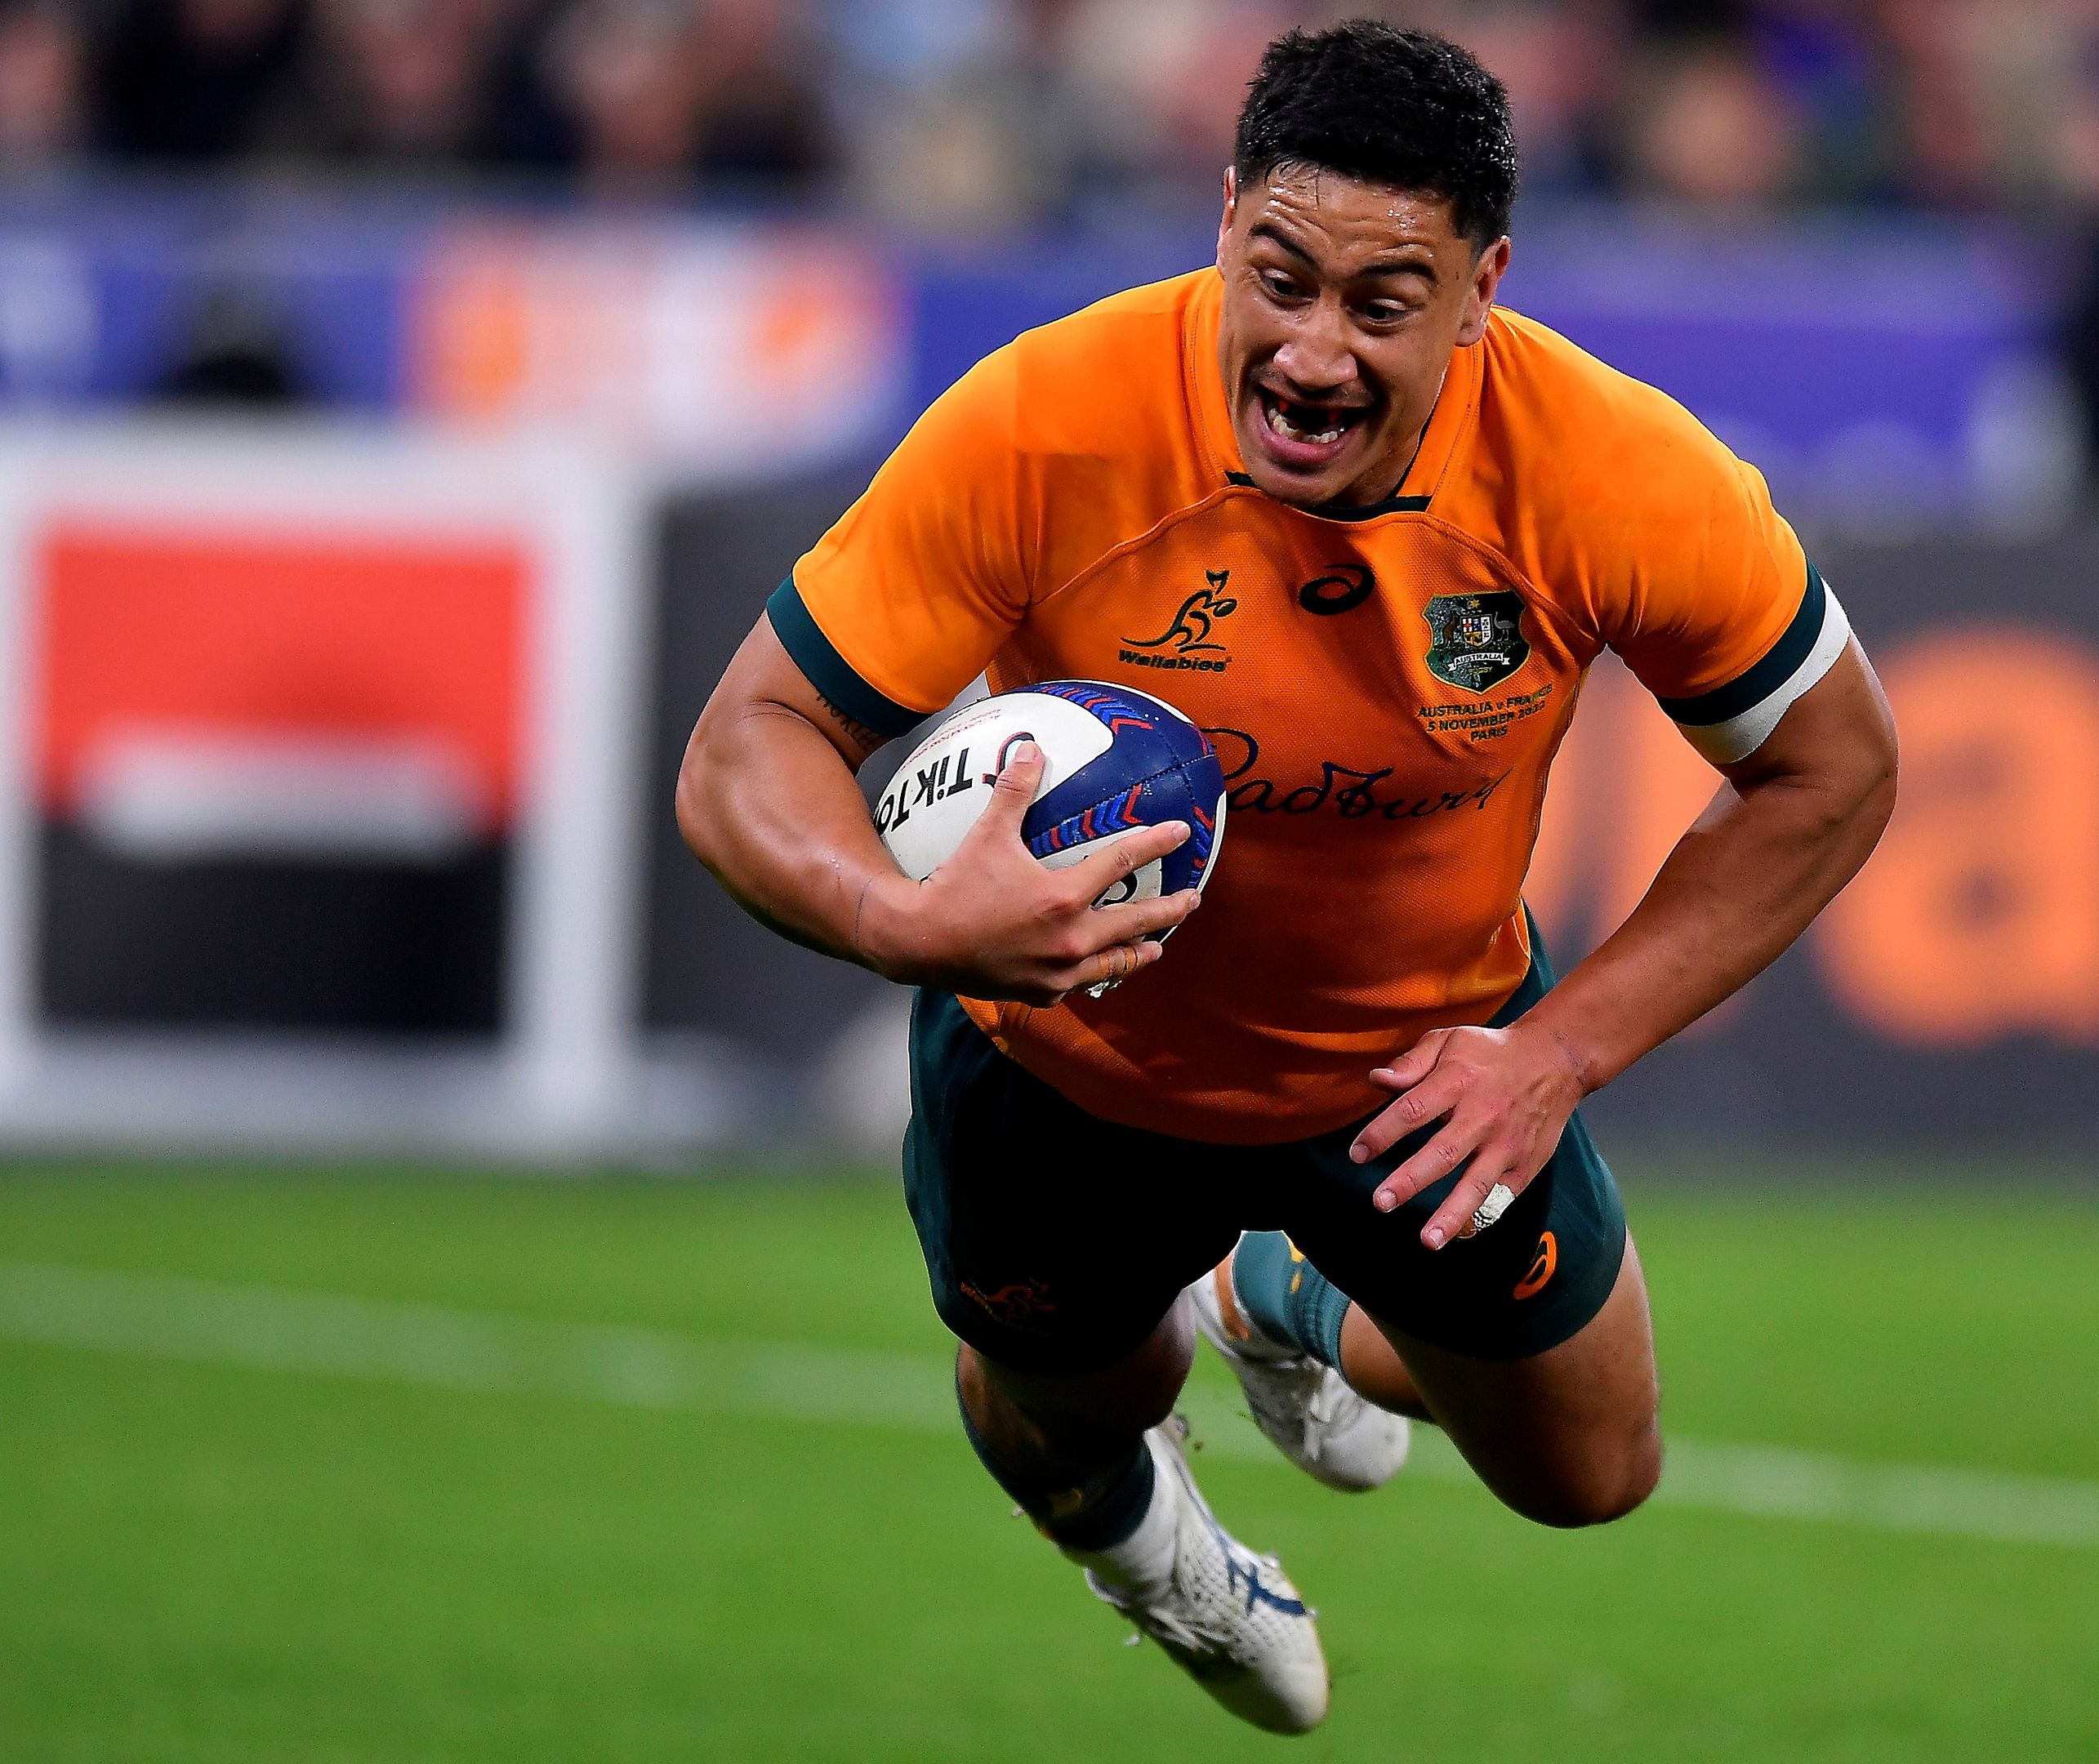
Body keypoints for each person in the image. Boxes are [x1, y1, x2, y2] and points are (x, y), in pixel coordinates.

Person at [676, 19, 1896, 1735]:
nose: (1313, 354)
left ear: (1484, 287)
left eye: (1382, 305)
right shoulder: (1051, 424)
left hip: (1416, 1062)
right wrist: (907, 918)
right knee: (1065, 1419)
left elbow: (1837, 765)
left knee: (1592, 1473)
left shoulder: (1610, 475)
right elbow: (750, 745)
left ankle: (1286, 1291)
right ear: (1229, 210)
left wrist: (1560, 1053)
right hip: (1063, 1066)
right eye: (1282, 278)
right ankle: (1156, 1563)